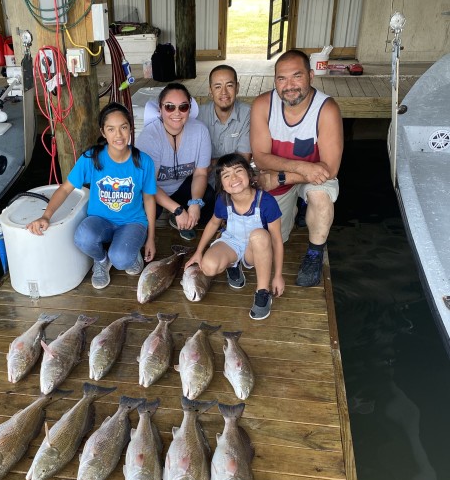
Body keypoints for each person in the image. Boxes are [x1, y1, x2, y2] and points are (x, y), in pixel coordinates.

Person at [26, 102, 156, 290]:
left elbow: (149, 199)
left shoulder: (143, 161)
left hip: (132, 221)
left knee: (121, 260)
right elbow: (65, 189)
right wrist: (46, 216)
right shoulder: (91, 158)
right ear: (103, 132)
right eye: (111, 129)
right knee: (82, 237)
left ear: (130, 129)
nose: (118, 135)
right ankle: (101, 260)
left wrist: (151, 237)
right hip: (100, 219)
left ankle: (129, 252)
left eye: (123, 128)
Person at [250, 48, 343, 287]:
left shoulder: (327, 109)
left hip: (313, 175)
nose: (289, 85)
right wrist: (300, 168)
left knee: (321, 198)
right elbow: (260, 157)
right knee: (268, 243)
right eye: (281, 78)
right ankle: (297, 208)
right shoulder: (263, 104)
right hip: (294, 171)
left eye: (296, 76)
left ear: (311, 76)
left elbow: (330, 168)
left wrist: (283, 177)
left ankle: (314, 252)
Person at [184, 153, 284, 320]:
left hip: (255, 249)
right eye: (226, 175)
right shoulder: (223, 200)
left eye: (238, 171)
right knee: (208, 267)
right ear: (222, 184)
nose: (234, 178)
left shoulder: (266, 201)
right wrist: (199, 251)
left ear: (250, 174)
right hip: (232, 242)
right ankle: (233, 264)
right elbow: (213, 224)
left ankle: (262, 292)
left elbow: (277, 240)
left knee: (259, 235)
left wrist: (278, 275)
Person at [136, 82, 213, 242]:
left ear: (189, 109)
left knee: (209, 198)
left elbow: (200, 173)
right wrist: (177, 209)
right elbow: (148, 184)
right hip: (152, 190)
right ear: (160, 108)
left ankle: (180, 219)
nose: (177, 113)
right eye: (170, 107)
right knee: (142, 216)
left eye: (183, 107)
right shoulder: (150, 137)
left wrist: (195, 203)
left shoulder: (200, 131)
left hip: (181, 186)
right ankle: (176, 214)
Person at [198, 64, 252, 288]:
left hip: (233, 182)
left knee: (241, 210)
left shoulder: (248, 113)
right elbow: (194, 161)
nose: (224, 92)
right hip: (206, 183)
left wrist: (210, 163)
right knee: (200, 216)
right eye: (217, 86)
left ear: (237, 87)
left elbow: (243, 159)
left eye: (229, 85)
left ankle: (233, 259)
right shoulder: (199, 114)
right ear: (210, 91)